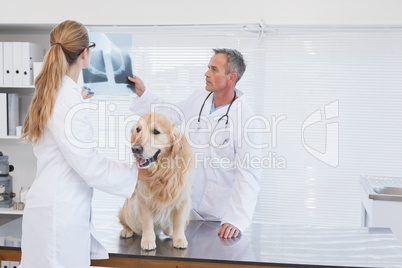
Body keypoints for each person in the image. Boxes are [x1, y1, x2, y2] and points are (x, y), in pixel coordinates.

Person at [20, 20, 145, 267]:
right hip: (59, 214)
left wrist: (79, 98)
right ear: (85, 53)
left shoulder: (56, 93)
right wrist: (136, 174)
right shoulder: (66, 99)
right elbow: (90, 166)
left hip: (49, 208)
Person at [128, 48, 262, 239]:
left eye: (214, 69)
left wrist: (236, 219)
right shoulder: (199, 98)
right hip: (184, 206)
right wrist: (144, 94)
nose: (206, 73)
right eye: (208, 67)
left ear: (231, 77)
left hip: (218, 216)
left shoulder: (247, 120)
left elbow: (249, 173)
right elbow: (170, 114)